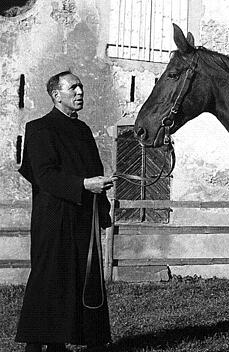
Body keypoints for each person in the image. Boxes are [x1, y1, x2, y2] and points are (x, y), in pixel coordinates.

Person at [15, 71, 115, 352]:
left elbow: (95, 171)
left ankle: (74, 341)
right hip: (53, 219)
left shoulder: (82, 130)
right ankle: (35, 345)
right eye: (73, 87)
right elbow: (45, 176)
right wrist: (84, 184)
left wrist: (103, 208)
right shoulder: (39, 129)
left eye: (81, 86)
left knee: (83, 278)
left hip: (84, 216)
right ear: (56, 95)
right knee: (50, 279)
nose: (80, 91)